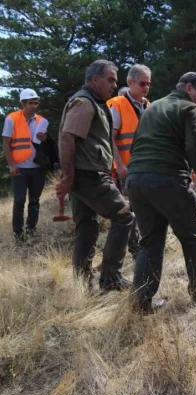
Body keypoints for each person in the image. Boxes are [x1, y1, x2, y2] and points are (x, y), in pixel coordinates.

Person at [126, 72, 196, 314]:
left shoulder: (152, 107)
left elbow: (137, 143)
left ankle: (141, 301)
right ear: (189, 88)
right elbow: (195, 145)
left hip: (137, 181)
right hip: (166, 179)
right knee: (191, 235)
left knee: (149, 242)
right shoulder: (189, 108)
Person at [55, 60, 133, 292]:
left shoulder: (95, 102)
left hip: (85, 175)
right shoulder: (85, 102)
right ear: (94, 79)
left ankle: (82, 284)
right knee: (125, 217)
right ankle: (110, 278)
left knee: (87, 227)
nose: (114, 84)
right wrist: (67, 177)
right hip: (89, 176)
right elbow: (67, 138)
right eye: (110, 79)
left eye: (115, 80)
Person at [107, 64, 150, 261]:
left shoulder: (148, 106)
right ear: (130, 82)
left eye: (149, 84)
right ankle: (134, 250)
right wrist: (119, 165)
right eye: (142, 83)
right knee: (129, 211)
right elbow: (110, 137)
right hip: (127, 170)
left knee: (145, 209)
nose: (146, 87)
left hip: (146, 168)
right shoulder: (116, 105)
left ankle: (143, 245)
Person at [3, 88, 49, 242]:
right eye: (30, 103)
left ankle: (31, 229)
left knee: (34, 200)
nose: (34, 105)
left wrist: (44, 139)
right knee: (20, 200)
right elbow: (6, 143)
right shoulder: (12, 119)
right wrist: (11, 165)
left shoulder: (42, 121)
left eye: (36, 103)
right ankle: (18, 233)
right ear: (22, 103)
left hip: (37, 169)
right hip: (20, 168)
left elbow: (46, 144)